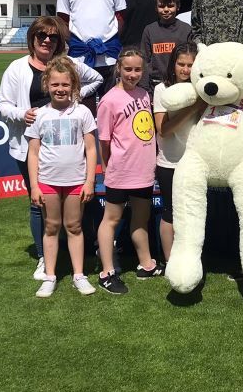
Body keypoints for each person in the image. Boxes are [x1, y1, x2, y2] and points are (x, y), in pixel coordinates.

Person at [0, 16, 102, 281]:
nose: (47, 40)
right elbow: (2, 105)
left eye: (53, 37)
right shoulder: (17, 68)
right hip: (30, 145)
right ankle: (45, 256)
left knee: (76, 202)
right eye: (41, 35)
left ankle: (76, 252)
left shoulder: (68, 64)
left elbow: (97, 78)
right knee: (38, 202)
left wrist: (76, 96)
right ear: (32, 37)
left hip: (66, 147)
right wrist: (22, 114)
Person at [25, 56, 98, 297]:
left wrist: (89, 181)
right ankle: (50, 276)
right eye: (55, 84)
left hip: (76, 181)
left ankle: (79, 275)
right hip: (48, 182)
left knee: (74, 226)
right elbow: (33, 153)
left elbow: (91, 149)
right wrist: (34, 186)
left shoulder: (83, 112)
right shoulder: (39, 115)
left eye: (65, 84)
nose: (60, 89)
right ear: (47, 85)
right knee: (51, 226)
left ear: (74, 85)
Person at [96, 47, 163, 293]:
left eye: (137, 69)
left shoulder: (145, 94)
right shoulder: (109, 100)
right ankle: (106, 272)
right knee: (111, 220)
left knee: (140, 219)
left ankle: (146, 264)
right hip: (120, 171)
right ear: (118, 69)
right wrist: (107, 168)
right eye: (127, 69)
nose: (132, 74)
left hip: (143, 171)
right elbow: (104, 141)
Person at [153, 43, 204, 262]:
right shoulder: (161, 89)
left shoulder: (202, 88)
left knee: (193, 214)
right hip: (169, 163)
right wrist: (192, 108)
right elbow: (163, 130)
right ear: (173, 64)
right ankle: (170, 261)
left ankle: (191, 259)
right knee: (171, 212)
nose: (185, 69)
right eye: (181, 64)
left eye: (190, 65)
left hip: (196, 162)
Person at [140, 0, 192, 90]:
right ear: (156, 8)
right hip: (155, 84)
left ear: (178, 6)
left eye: (171, 6)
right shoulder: (149, 30)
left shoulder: (186, 29)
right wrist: (144, 87)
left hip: (180, 84)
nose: (166, 10)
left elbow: (191, 60)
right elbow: (144, 60)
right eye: (162, 6)